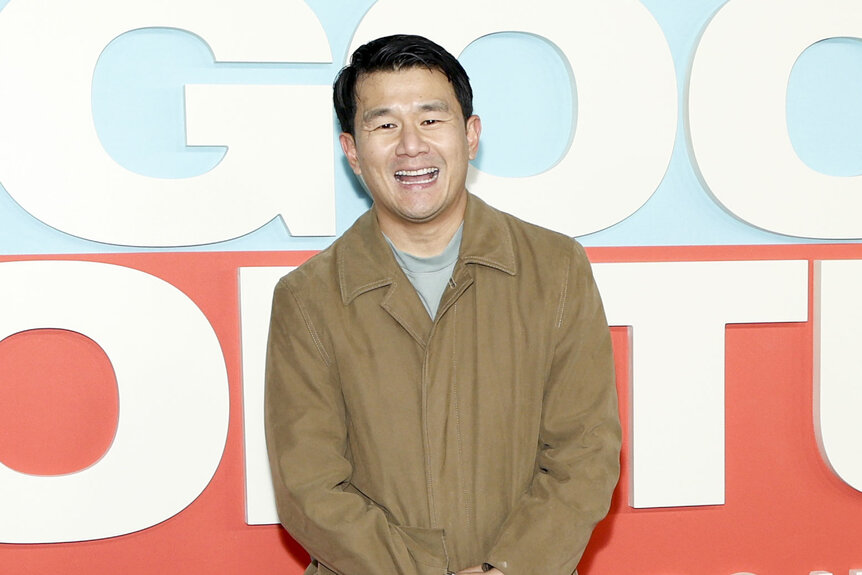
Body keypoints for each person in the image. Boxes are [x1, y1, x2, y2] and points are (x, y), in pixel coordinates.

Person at [265, 34, 621, 575]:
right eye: (385, 125)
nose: (411, 145)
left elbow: (585, 453)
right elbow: (308, 487)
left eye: (431, 119)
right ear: (352, 151)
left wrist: (508, 569)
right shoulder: (307, 299)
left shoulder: (555, 269)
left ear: (470, 134)